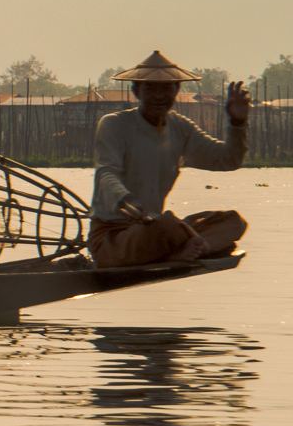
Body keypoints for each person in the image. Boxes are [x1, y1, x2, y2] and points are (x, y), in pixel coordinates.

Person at [88, 51, 249, 268]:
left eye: (166, 88)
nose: (159, 95)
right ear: (137, 91)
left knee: (233, 221)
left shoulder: (180, 127)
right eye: (150, 88)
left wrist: (237, 122)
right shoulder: (114, 124)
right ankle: (189, 249)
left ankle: (197, 247)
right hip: (115, 238)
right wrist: (126, 199)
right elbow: (106, 172)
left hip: (155, 228)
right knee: (168, 224)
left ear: (176, 91)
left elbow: (228, 160)